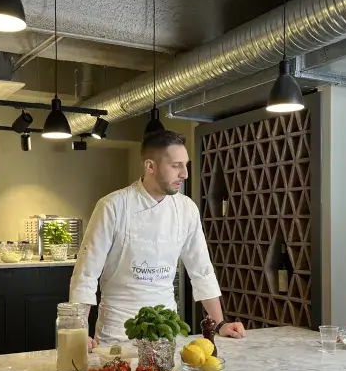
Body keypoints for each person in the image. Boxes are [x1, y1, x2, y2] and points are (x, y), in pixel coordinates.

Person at [69, 129, 245, 348]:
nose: (185, 174)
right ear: (150, 166)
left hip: (168, 331)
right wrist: (78, 330)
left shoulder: (186, 209)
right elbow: (86, 274)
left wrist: (219, 324)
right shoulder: (112, 206)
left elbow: (201, 270)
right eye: (176, 166)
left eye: (186, 165)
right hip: (118, 334)